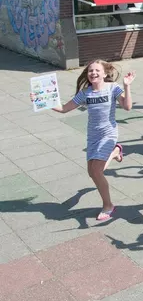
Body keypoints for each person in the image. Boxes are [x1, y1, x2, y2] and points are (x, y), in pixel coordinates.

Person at [51, 60, 133, 221]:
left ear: (104, 73)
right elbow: (63, 108)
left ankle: (108, 205)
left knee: (97, 171)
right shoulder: (85, 93)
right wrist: (43, 100)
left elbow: (127, 106)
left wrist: (127, 86)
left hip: (108, 134)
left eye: (97, 70)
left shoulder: (113, 88)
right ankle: (116, 151)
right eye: (90, 71)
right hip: (93, 136)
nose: (93, 73)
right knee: (92, 172)